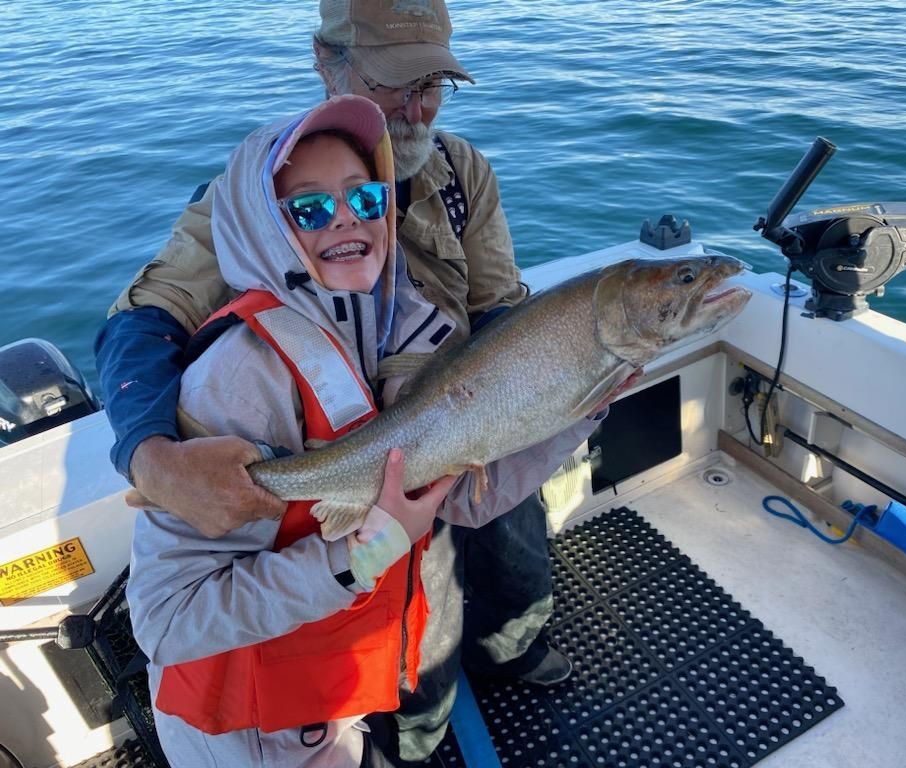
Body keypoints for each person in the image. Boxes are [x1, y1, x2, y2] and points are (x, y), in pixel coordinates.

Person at [93, 1, 581, 761]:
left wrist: (557, 388)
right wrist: (150, 457)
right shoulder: (256, 190)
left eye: (436, 85)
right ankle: (414, 730)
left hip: (464, 415)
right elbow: (143, 318)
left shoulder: (462, 173)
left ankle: (512, 643)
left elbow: (501, 309)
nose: (417, 109)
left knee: (516, 546)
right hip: (358, 454)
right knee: (424, 614)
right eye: (394, 83)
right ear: (328, 61)